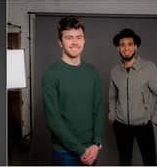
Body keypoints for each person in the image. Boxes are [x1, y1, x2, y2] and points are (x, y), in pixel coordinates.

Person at [42, 15, 103, 166]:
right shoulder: (51, 74)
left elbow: (98, 110)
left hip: (91, 149)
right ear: (60, 43)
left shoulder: (93, 72)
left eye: (79, 37)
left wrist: (97, 143)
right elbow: (53, 121)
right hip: (64, 154)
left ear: (84, 40)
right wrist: (80, 150)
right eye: (69, 37)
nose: (75, 42)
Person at [108, 28, 157, 166]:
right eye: (122, 45)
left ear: (136, 46)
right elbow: (112, 96)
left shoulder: (149, 67)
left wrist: (155, 116)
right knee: (124, 161)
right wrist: (112, 114)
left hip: (143, 124)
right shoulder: (115, 71)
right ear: (118, 48)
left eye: (130, 44)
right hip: (121, 125)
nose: (126, 48)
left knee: (150, 161)